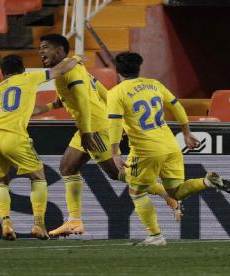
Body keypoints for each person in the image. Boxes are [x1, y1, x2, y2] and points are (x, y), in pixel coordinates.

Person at [35, 34, 177, 237]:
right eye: (40, 48)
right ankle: (74, 221)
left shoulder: (67, 72)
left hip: (94, 127)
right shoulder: (74, 67)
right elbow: (99, 90)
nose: (41, 52)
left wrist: (88, 131)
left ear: (59, 51)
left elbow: (83, 101)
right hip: (89, 125)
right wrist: (47, 107)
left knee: (116, 174)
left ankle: (166, 193)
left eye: (45, 47)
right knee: (68, 167)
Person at [108, 52, 230, 246]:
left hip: (146, 150)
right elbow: (176, 106)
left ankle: (155, 237)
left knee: (136, 192)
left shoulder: (116, 93)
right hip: (170, 145)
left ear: (117, 71)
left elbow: (115, 124)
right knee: (176, 192)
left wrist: (114, 153)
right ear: (138, 68)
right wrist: (186, 133)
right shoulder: (154, 84)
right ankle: (207, 182)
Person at [0, 54, 81, 241]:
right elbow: (59, 70)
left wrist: (53, 105)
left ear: (3, 73)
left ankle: (5, 222)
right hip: (13, 136)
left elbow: (30, 110)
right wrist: (76, 57)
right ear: (23, 70)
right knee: (38, 177)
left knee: (0, 182)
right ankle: (39, 223)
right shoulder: (27, 78)